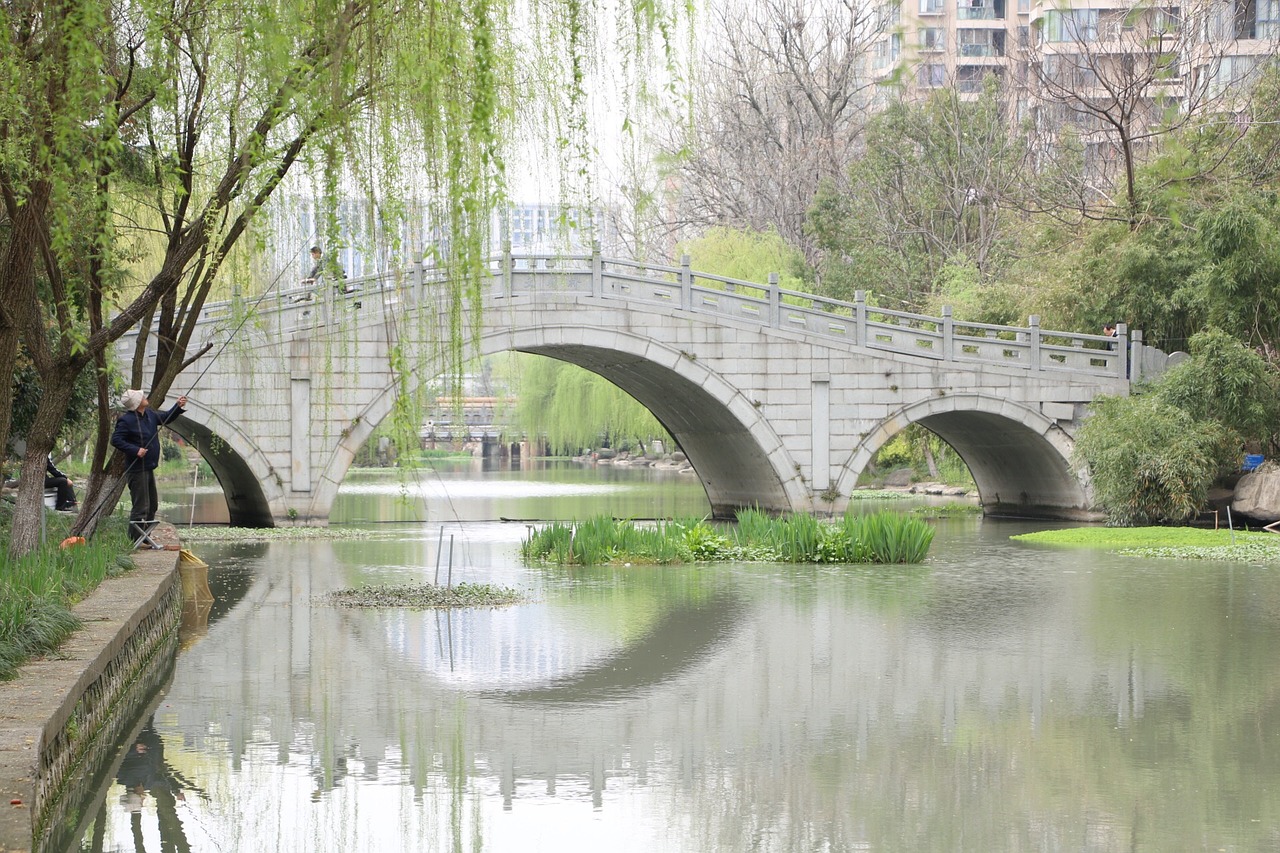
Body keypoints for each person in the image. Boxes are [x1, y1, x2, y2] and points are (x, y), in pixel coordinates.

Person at [111, 389, 187, 547]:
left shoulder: (150, 415)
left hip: (149, 467)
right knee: (141, 507)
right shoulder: (126, 420)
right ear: (137, 403)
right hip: (136, 470)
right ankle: (133, 541)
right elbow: (116, 440)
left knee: (152, 505)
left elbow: (165, 418)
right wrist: (135, 450)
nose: (145, 398)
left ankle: (145, 536)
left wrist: (177, 407)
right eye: (142, 397)